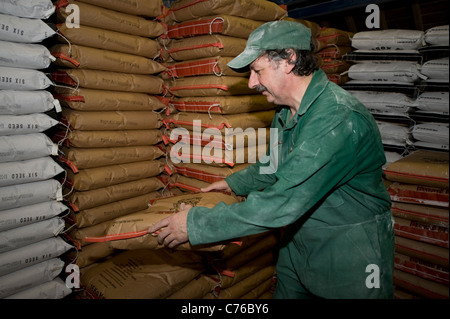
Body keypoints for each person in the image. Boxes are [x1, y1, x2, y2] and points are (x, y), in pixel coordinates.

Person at [149, 20, 395, 299]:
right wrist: (234, 184)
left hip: (348, 253)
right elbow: (275, 165)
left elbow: (283, 201)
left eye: (257, 70)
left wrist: (195, 225)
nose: (252, 82)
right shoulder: (286, 112)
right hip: (298, 243)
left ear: (289, 59)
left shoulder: (336, 119)